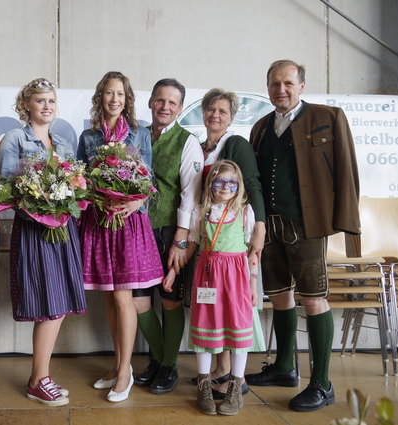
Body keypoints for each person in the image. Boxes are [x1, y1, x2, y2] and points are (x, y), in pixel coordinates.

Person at [245, 59, 360, 412]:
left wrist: (347, 223)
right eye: (275, 84)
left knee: (313, 300)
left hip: (308, 227)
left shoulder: (328, 117)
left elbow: (346, 170)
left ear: (301, 85)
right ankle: (284, 367)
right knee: (279, 297)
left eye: (288, 83)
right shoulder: (261, 127)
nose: (281, 89)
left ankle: (322, 384)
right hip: (270, 226)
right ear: (268, 88)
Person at [0, 78, 86, 407]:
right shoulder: (14, 139)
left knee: (59, 304)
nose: (47, 106)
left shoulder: (63, 142)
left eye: (51, 101)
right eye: (40, 101)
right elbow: (8, 188)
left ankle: (40, 376)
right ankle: (39, 379)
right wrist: (40, 200)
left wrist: (65, 201)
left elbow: (75, 184)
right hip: (35, 231)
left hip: (63, 231)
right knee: (47, 305)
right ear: (27, 105)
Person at [77, 71, 163, 402]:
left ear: (127, 101)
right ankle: (117, 365)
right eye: (109, 94)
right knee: (111, 297)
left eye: (121, 95)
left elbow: (149, 178)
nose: (115, 99)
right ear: (101, 98)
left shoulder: (140, 134)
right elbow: (82, 181)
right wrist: (99, 198)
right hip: (100, 222)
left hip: (129, 222)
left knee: (124, 298)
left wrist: (137, 199)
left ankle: (126, 371)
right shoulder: (88, 136)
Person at [164, 159, 257, 415]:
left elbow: (252, 253)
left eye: (231, 183)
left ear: (238, 186)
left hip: (236, 279)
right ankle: (204, 385)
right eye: (220, 182)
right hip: (207, 278)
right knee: (206, 329)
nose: (225, 187)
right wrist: (173, 271)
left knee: (237, 331)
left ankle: (236, 388)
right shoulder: (201, 211)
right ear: (211, 184)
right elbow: (191, 244)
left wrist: (253, 283)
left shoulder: (245, 212)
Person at [193, 88, 267, 400]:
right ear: (203, 112)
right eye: (211, 109)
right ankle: (219, 371)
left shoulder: (234, 144)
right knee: (214, 309)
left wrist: (260, 226)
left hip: (234, 244)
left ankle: (230, 376)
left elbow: (251, 184)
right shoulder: (198, 147)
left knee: (233, 311)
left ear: (231, 117)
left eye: (223, 111)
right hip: (210, 240)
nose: (215, 116)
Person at [132, 78, 203, 394]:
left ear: (180, 108)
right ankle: (161, 359)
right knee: (138, 301)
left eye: (172, 102)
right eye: (160, 100)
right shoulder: (135, 137)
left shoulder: (187, 141)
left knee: (170, 299)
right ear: (150, 102)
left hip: (168, 232)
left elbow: (191, 194)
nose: (165, 106)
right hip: (135, 230)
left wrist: (181, 240)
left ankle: (168, 365)